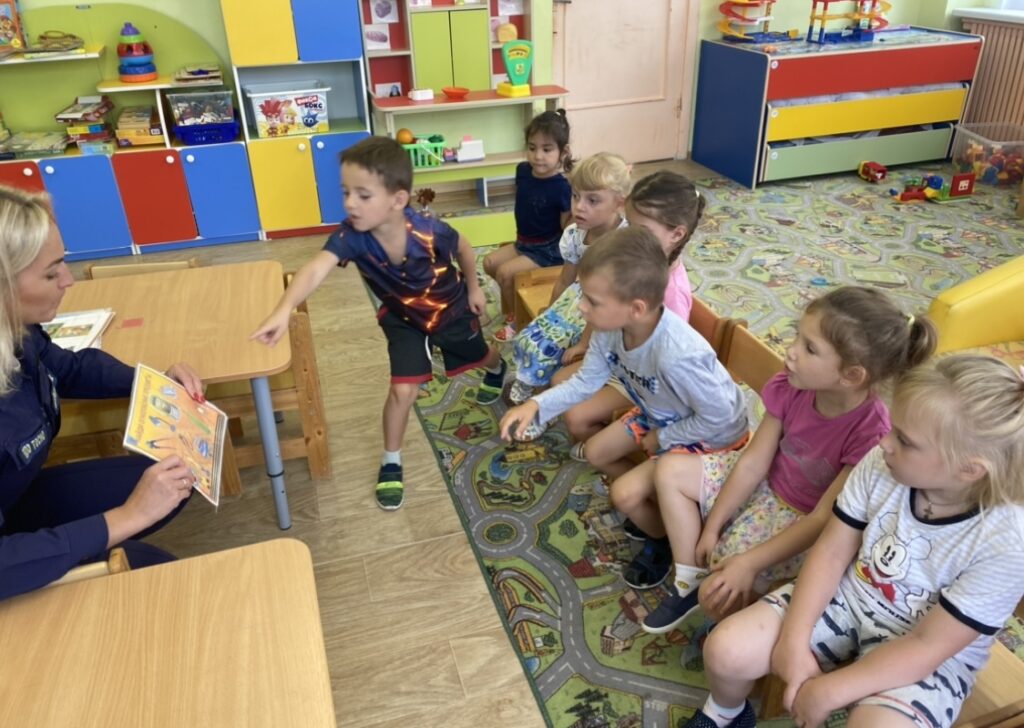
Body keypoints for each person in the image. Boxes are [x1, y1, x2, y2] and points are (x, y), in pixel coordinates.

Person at [685, 354, 1024, 728]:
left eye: (904, 440)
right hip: (850, 597)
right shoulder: (882, 463)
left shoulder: (1008, 543)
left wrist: (829, 692)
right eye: (893, 427)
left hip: (931, 651)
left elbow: (927, 646)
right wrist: (793, 642)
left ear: (969, 469)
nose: (884, 442)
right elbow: (830, 552)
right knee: (725, 650)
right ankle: (727, 714)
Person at [640, 287, 936, 636]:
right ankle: (688, 579)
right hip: (767, 483)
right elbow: (753, 463)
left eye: (809, 348)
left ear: (851, 376)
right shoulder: (792, 384)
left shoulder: (871, 432)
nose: (791, 351)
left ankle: (727, 614)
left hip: (800, 518)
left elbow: (823, 517)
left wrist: (748, 561)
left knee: (726, 577)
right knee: (670, 471)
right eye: (798, 336)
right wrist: (712, 526)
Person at [251, 136, 505, 511]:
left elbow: (465, 249)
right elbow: (315, 269)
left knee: (480, 356)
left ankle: (498, 367)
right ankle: (391, 460)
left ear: (397, 200)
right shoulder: (350, 237)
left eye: (363, 195)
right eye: (346, 192)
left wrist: (473, 288)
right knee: (403, 391)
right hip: (404, 320)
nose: (350, 204)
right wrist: (284, 308)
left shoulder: (430, 231)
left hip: (450, 311)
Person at [0, 186, 204, 601]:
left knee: (173, 481)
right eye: (51, 273)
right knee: (158, 577)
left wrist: (151, 383)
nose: (68, 280)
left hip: (15, 502)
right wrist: (125, 518)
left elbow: (68, 368)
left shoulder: (17, 330)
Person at [500, 226, 748, 539]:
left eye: (592, 301)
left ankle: (672, 533)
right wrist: (537, 405)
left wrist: (664, 437)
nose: (581, 307)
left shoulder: (678, 355)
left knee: (623, 495)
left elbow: (721, 418)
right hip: (661, 414)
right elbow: (585, 383)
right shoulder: (609, 329)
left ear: (636, 308)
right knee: (595, 453)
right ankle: (666, 518)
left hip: (713, 436)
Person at [553, 171, 701, 461]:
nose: (630, 236)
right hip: (620, 357)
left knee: (575, 417)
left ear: (676, 234)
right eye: (629, 225)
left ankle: (611, 454)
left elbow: (663, 368)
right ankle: (603, 443)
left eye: (641, 229)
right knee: (559, 380)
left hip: (644, 378)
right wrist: (589, 345)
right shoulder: (637, 262)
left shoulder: (672, 293)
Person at [505, 152, 631, 439]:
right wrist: (549, 312)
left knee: (554, 351)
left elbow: (610, 301)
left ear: (619, 203)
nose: (579, 207)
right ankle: (529, 379)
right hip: (576, 300)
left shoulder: (624, 241)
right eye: (575, 196)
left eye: (593, 200)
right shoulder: (575, 234)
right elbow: (565, 278)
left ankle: (545, 410)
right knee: (530, 335)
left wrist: (584, 343)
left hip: (603, 310)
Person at [484, 110, 573, 342]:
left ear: (563, 152)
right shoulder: (522, 171)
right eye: (532, 148)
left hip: (548, 249)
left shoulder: (562, 187)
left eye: (547, 149)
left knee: (505, 272)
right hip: (524, 242)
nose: (538, 156)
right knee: (489, 263)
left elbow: (565, 226)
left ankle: (519, 322)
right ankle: (513, 306)